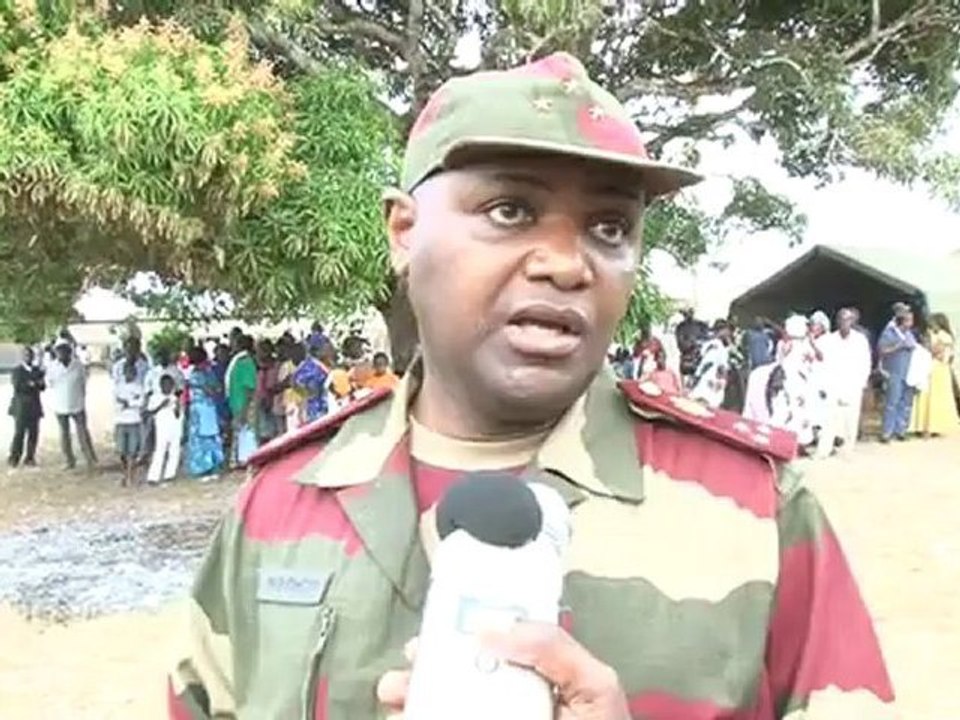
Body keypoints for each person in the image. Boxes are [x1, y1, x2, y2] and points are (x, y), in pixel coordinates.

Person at [170, 52, 893, 720]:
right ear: (402, 231)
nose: (566, 263)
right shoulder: (282, 502)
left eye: (610, 226)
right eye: (510, 211)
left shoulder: (756, 511)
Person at [814, 308, 872, 458]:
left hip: (853, 384)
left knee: (851, 420)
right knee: (829, 419)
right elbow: (818, 359)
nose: (845, 322)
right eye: (842, 319)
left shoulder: (860, 340)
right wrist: (822, 384)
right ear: (837, 321)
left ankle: (848, 450)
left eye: (848, 319)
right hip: (833, 384)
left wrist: (862, 383)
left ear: (852, 322)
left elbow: (865, 362)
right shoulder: (828, 340)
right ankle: (823, 450)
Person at [46, 339, 97, 471]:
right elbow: (49, 384)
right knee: (64, 434)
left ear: (70, 351)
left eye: (65, 350)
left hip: (77, 403)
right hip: (59, 404)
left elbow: (83, 382)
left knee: (82, 433)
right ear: (56, 352)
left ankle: (90, 459)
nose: (62, 353)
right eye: (59, 351)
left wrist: (81, 396)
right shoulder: (52, 367)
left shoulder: (78, 365)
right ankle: (69, 460)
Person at [909, 312, 960, 436]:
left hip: (937, 368)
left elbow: (936, 351)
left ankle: (928, 427)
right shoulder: (947, 336)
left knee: (931, 396)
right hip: (942, 368)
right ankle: (932, 426)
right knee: (936, 397)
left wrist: (926, 345)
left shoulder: (942, 336)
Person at [878, 303, 918, 442]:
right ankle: (886, 432)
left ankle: (901, 430)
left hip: (908, 372)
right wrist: (899, 346)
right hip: (894, 371)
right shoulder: (890, 332)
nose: (911, 322)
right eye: (909, 319)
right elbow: (882, 350)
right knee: (892, 402)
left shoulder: (910, 334)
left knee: (905, 402)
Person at [184, 346, 225, 478]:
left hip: (200, 408)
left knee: (201, 438)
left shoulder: (196, 374)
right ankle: (210, 466)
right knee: (209, 437)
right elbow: (215, 389)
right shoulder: (204, 373)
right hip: (206, 407)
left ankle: (203, 467)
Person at [7, 346, 45, 468]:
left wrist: (33, 384)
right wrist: (33, 384)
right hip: (21, 407)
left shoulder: (37, 370)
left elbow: (42, 386)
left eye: (30, 355)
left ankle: (30, 457)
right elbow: (18, 386)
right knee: (19, 434)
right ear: (22, 357)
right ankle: (14, 457)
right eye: (26, 355)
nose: (28, 357)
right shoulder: (17, 371)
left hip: (34, 406)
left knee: (33, 434)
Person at [226, 335, 258, 466]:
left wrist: (245, 407)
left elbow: (249, 388)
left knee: (247, 431)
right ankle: (241, 459)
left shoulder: (245, 362)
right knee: (240, 431)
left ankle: (247, 458)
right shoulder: (238, 361)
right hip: (237, 402)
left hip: (244, 402)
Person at [146, 374, 183, 484]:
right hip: (162, 428)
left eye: (169, 385)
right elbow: (149, 412)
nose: (167, 387)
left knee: (174, 450)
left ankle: (170, 474)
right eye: (164, 385)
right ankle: (153, 477)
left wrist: (177, 406)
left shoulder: (174, 398)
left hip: (175, 427)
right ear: (160, 385)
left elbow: (178, 414)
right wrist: (161, 405)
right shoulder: (155, 397)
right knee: (159, 450)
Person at [114, 361, 145, 487]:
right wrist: (131, 403)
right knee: (121, 451)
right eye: (127, 371)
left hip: (134, 420)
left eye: (132, 371)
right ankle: (125, 472)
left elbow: (141, 403)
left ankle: (129, 476)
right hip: (120, 421)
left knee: (132, 451)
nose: (129, 374)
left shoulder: (139, 387)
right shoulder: (118, 387)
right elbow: (116, 403)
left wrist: (128, 403)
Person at [688, 320, 732, 408]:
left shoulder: (707, 344)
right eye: (728, 331)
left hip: (700, 380)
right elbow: (723, 368)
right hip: (711, 384)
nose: (729, 334)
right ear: (723, 330)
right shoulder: (720, 348)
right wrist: (723, 383)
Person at [293, 340, 331, 422]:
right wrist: (308, 395)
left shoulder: (306, 366)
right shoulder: (313, 367)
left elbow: (294, 382)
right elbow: (295, 383)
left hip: (315, 407)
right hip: (318, 409)